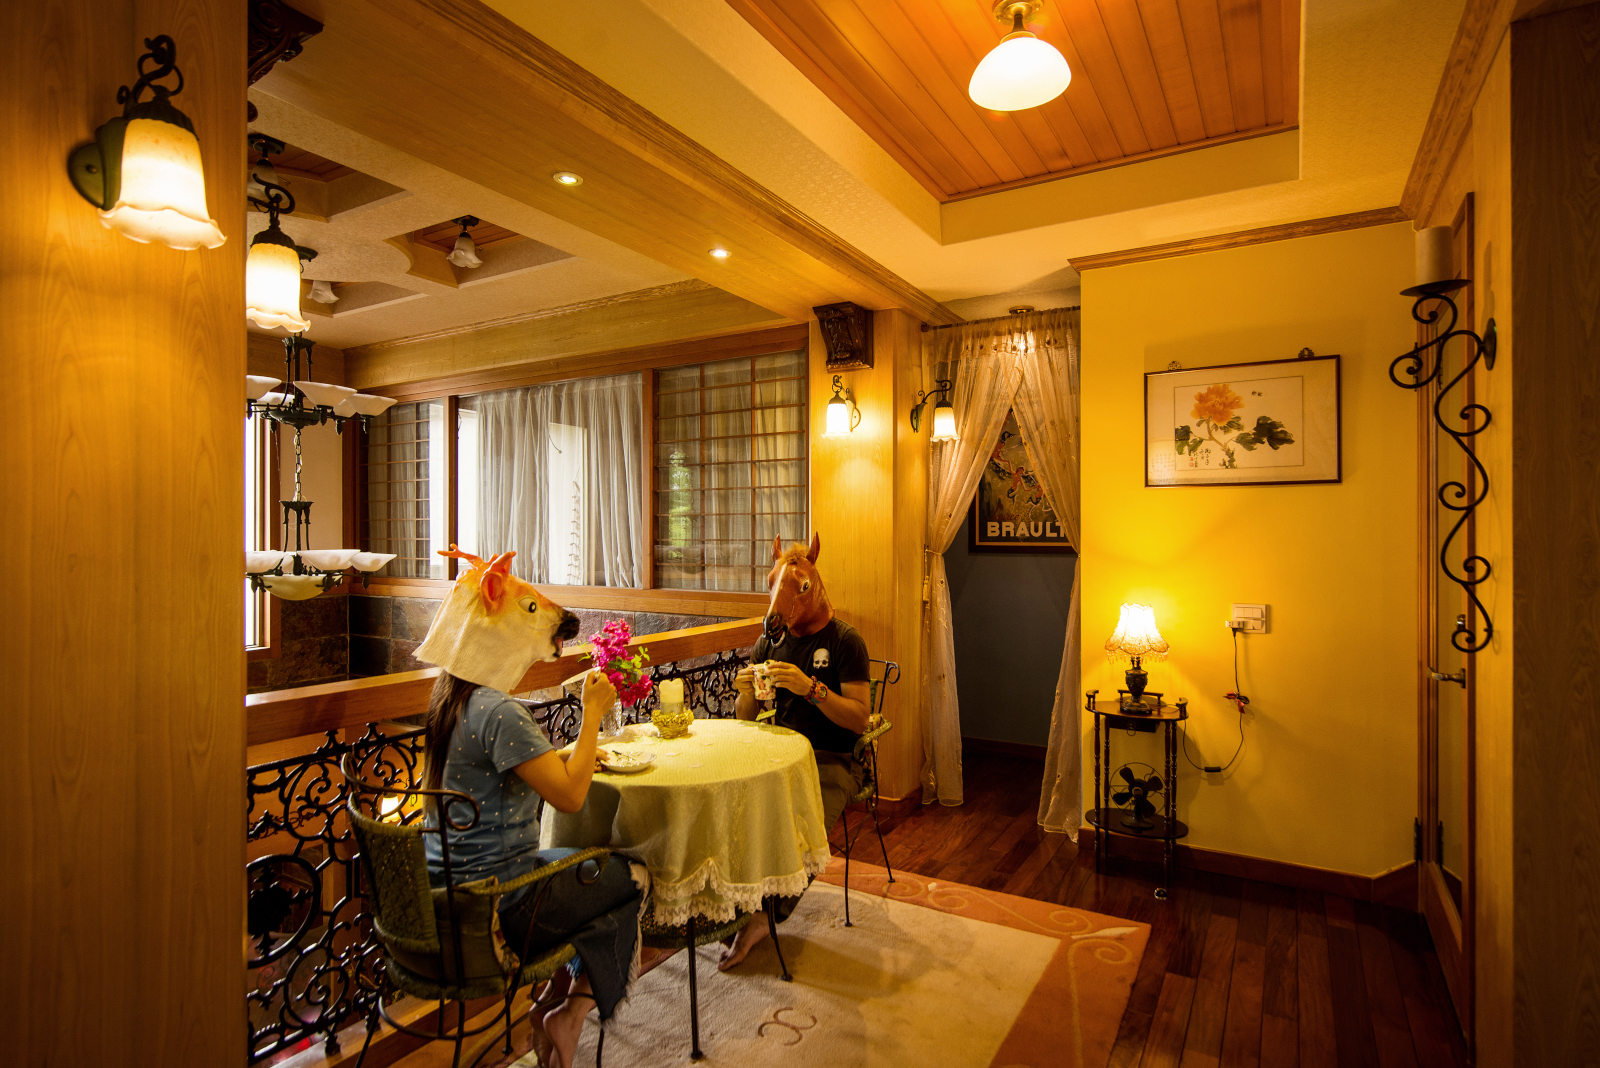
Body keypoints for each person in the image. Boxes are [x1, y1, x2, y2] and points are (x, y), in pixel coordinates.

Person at [413, 546, 642, 1068]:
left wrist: (561, 757)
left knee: (588, 871)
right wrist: (592, 715)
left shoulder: (449, 699)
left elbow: (510, 771)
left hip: (448, 897)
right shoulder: (500, 711)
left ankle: (549, 1004)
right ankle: (569, 1013)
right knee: (632, 877)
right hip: (501, 905)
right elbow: (571, 797)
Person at [719, 533, 872, 971]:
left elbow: (860, 719)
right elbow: (747, 716)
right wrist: (746, 691)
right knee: (735, 809)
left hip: (832, 758)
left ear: (813, 586)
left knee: (804, 825)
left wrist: (811, 689)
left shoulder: (845, 641)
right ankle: (732, 903)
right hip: (777, 753)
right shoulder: (770, 642)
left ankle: (764, 917)